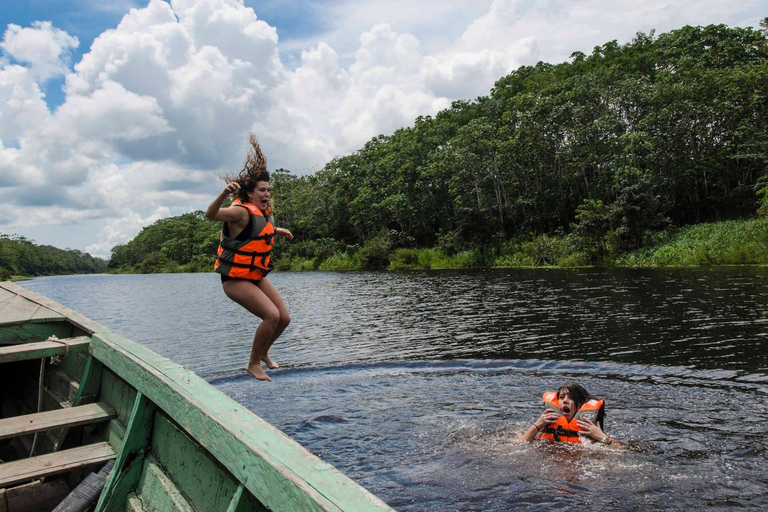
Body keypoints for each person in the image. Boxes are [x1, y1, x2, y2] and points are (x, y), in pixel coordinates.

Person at [205, 134, 293, 382]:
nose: (267, 194)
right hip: (234, 279)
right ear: (251, 193)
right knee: (271, 316)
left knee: (284, 318)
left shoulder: (261, 214)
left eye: (268, 190)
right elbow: (210, 215)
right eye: (262, 190)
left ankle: (263, 354)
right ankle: (253, 363)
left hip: (254, 274)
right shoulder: (238, 211)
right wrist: (223, 193)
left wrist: (277, 230)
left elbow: (256, 232)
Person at [520, 383, 617, 446]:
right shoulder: (546, 426)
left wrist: (602, 437)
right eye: (561, 397)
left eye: (571, 397)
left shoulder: (592, 432)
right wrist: (536, 426)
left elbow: (624, 450)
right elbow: (518, 445)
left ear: (580, 404)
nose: (565, 400)